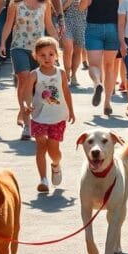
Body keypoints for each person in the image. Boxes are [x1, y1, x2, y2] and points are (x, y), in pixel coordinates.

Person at [0, 0, 58, 140]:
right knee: (24, 78)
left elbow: (48, 24)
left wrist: (55, 43)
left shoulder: (44, 3)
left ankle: (36, 116)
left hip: (40, 49)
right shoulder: (15, 3)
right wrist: (2, 43)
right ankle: (27, 123)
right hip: (19, 47)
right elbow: (9, 24)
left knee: (38, 84)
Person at [25, 37, 75, 193]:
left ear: (57, 55)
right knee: (40, 147)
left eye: (51, 54)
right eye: (42, 55)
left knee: (54, 150)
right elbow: (26, 92)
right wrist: (27, 105)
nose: (47, 58)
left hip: (58, 116)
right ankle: (43, 180)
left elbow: (66, 92)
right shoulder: (34, 74)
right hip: (39, 116)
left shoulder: (61, 73)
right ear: (36, 56)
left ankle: (56, 164)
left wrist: (71, 110)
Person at [58, 0, 87, 87]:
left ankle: (74, 74)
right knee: (68, 49)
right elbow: (58, 10)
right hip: (67, 22)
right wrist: (67, 3)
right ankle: (67, 74)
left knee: (78, 50)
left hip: (81, 22)